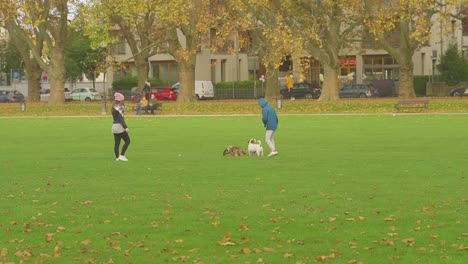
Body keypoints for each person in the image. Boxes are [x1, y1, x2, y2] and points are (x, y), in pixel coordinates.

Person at [112, 92, 131, 161]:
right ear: (121, 100)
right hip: (119, 127)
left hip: (114, 127)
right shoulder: (120, 107)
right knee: (127, 141)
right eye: (123, 100)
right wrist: (125, 127)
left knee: (117, 143)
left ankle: (117, 157)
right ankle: (122, 155)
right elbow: (120, 119)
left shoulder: (114, 106)